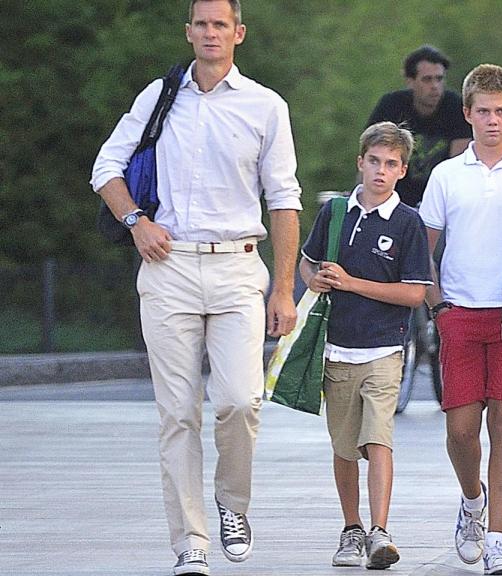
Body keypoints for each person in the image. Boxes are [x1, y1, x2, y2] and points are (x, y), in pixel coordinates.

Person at [90, 1, 301, 574]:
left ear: (239, 33)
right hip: (169, 267)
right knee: (178, 414)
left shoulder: (265, 105)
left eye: (220, 24)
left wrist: (284, 290)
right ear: (188, 33)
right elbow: (105, 168)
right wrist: (137, 222)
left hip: (238, 268)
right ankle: (191, 541)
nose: (210, 33)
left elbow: (284, 199)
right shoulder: (158, 97)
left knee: (239, 401)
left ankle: (233, 505)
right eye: (201, 24)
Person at [420, 64, 502, 576]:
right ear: (467, 114)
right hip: (461, 313)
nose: (492, 120)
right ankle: (473, 502)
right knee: (462, 429)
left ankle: (499, 539)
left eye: (500, 111)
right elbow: (421, 246)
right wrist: (438, 302)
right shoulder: (447, 175)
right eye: (482, 111)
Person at [299, 122, 433, 570]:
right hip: (337, 348)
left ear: (402, 170)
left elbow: (415, 293)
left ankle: (380, 531)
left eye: (391, 164)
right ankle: (351, 527)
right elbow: (308, 262)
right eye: (373, 161)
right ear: (360, 162)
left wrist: (354, 283)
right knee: (343, 446)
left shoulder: (408, 222)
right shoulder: (336, 212)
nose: (380, 170)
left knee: (378, 439)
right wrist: (313, 279)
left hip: (383, 349)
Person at [366, 44, 473, 207]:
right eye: (427, 79)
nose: (435, 86)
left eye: (439, 79)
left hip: (440, 201)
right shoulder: (392, 106)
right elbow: (371, 157)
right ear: (410, 81)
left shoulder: (456, 108)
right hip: (394, 200)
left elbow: (458, 167)